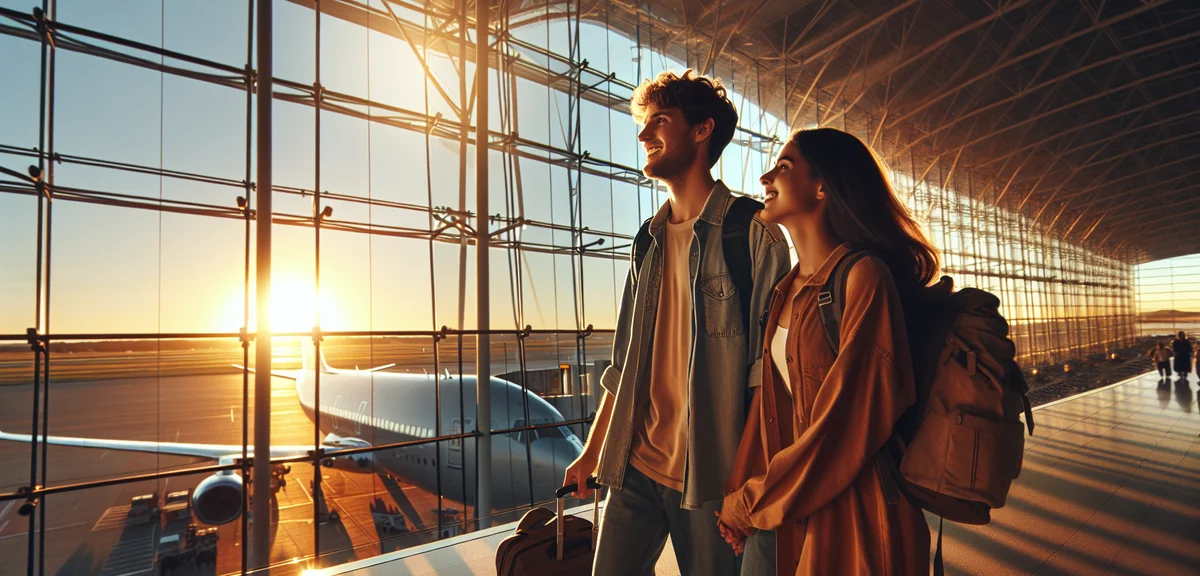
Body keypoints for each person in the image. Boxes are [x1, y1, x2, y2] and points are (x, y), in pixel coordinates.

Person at [562, 70, 791, 576]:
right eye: (644, 124)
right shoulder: (647, 241)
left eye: (659, 121)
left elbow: (767, 377)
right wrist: (593, 453)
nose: (643, 135)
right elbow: (622, 367)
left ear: (702, 129)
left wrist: (747, 482)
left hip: (712, 477)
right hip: (635, 468)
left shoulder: (754, 234)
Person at [717, 128, 934, 575]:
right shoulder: (784, 290)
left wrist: (754, 500)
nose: (765, 178)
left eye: (784, 166)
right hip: (780, 509)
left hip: (854, 517)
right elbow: (770, 409)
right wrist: (739, 498)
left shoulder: (864, 278)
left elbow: (847, 422)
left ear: (822, 187)